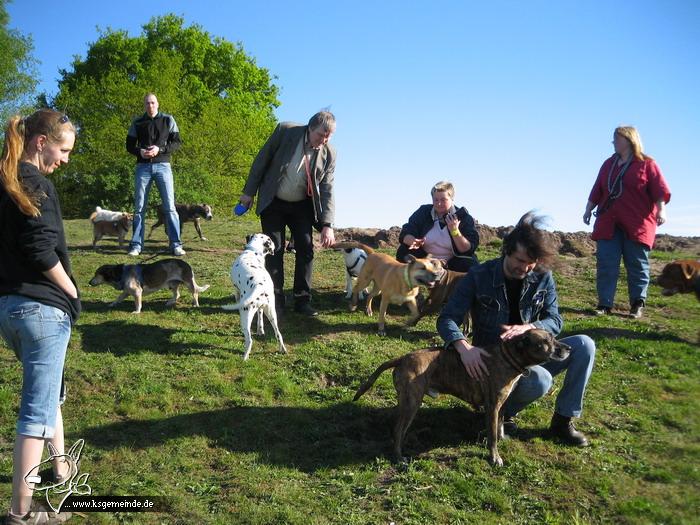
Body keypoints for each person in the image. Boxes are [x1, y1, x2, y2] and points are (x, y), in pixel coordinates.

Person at [437, 212, 595, 447]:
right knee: (540, 380)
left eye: (531, 262)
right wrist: (463, 347)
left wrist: (530, 326)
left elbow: (555, 319)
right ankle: (497, 413)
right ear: (506, 251)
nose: (526, 268)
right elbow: (447, 318)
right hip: (495, 362)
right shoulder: (479, 276)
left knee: (584, 345)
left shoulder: (542, 276)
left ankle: (563, 421)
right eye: (520, 260)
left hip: (534, 351)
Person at [0, 109, 80, 523]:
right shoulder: (36, 184)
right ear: (40, 142)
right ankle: (20, 514)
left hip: (9, 311)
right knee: (34, 413)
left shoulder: (6, 181)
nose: (65, 159)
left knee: (49, 391)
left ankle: (62, 469)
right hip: (43, 310)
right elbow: (40, 250)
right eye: (63, 150)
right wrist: (71, 291)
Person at [239, 111, 337, 317]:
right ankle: (275, 298)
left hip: (302, 205)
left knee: (306, 247)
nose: (324, 140)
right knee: (274, 249)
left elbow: (327, 188)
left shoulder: (329, 153)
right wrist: (248, 193)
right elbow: (261, 161)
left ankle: (302, 299)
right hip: (273, 201)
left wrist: (327, 224)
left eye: (329, 136)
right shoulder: (285, 131)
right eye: (321, 135)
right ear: (310, 128)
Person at [583, 126, 671, 318]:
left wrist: (662, 210)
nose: (613, 142)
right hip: (608, 222)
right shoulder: (608, 164)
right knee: (606, 263)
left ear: (628, 140)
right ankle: (604, 304)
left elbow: (660, 191)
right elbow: (598, 188)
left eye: (616, 139)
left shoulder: (647, 164)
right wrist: (588, 208)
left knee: (637, 264)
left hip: (637, 223)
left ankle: (637, 304)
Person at [126, 93, 184, 257]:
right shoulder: (137, 122)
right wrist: (140, 151)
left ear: (157, 104)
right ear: (144, 105)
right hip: (142, 167)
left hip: (163, 166)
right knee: (139, 208)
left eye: (152, 103)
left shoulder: (168, 119)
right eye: (147, 103)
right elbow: (129, 145)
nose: (150, 106)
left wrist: (161, 149)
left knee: (170, 207)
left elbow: (177, 142)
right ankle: (136, 245)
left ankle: (175, 244)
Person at [397, 181, 479, 272]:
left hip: (452, 262)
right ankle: (409, 282)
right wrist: (412, 240)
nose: (439, 203)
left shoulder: (464, 218)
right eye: (436, 200)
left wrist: (454, 231)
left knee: (470, 265)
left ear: (452, 199)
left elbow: (467, 250)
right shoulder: (423, 212)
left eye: (443, 200)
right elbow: (407, 231)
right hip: (426, 259)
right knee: (403, 251)